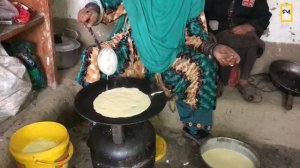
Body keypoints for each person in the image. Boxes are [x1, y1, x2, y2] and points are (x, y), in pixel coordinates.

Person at [76, 0, 240, 144]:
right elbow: (108, 3)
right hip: (134, 48)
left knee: (205, 65)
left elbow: (194, 33)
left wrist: (214, 49)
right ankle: (101, 125)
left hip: (172, 52)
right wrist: (92, 10)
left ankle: (196, 129)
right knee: (94, 56)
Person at [205, 0, 272, 102]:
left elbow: (264, 16)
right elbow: (201, 13)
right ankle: (219, 80)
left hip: (242, 31)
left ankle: (243, 82)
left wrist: (249, 26)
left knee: (253, 41)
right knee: (228, 42)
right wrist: (207, 31)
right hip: (219, 30)